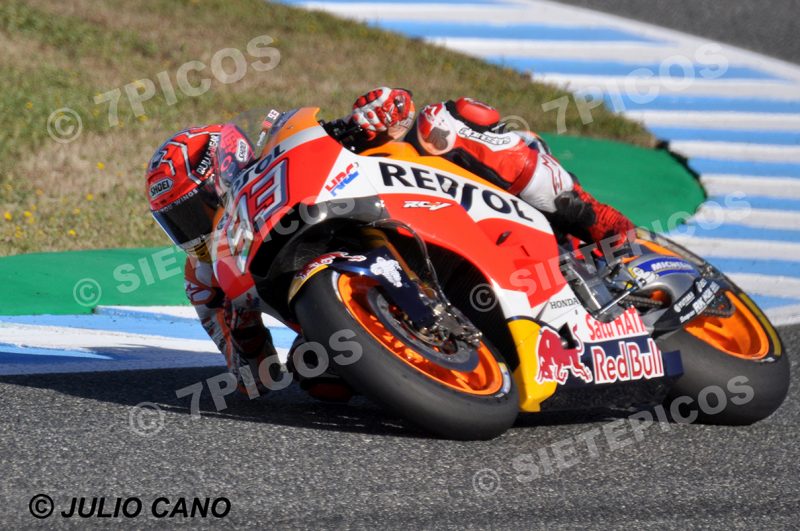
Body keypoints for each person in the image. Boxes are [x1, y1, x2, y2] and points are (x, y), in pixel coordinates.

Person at [144, 88, 634, 397]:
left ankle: (597, 220)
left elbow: (385, 115)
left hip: (422, 205)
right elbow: (256, 376)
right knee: (318, 377)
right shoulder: (206, 277)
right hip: (345, 292)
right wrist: (241, 329)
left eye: (196, 209)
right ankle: (439, 375)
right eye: (178, 222)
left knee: (444, 122)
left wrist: (378, 116)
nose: (195, 228)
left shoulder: (279, 162)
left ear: (227, 167)